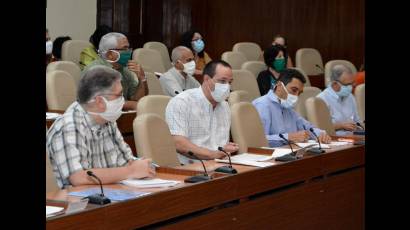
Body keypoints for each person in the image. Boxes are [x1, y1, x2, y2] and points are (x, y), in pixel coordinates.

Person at [46, 65, 155, 189]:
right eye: (119, 95)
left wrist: (142, 165)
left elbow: (127, 161)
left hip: (107, 194)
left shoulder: (107, 120)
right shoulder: (69, 126)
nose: (123, 100)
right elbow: (78, 177)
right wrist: (131, 171)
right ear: (99, 101)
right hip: (75, 203)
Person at [165, 60, 239, 164]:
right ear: (207, 79)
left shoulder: (225, 106)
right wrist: (214, 154)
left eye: (230, 82)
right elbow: (179, 144)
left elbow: (219, 146)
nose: (227, 86)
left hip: (221, 164)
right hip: (189, 169)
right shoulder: (182, 102)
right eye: (222, 81)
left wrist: (226, 149)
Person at [253, 69, 332, 147]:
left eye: (299, 93)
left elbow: (308, 128)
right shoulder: (262, 105)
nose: (296, 96)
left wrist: (321, 134)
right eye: (294, 90)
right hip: (271, 156)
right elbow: (258, 140)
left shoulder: (288, 107)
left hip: (291, 152)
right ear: (280, 86)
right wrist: (289, 137)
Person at [84, 32, 148, 110]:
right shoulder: (95, 71)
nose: (129, 52)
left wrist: (142, 78)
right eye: (124, 48)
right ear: (110, 54)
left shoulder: (124, 70)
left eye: (129, 48)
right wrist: (132, 105)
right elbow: (103, 102)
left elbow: (137, 99)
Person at [317, 64, 363, 136]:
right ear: (335, 83)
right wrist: (341, 125)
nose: (350, 87)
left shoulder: (350, 96)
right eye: (347, 84)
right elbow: (320, 127)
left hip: (354, 137)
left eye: (352, 83)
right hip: (334, 139)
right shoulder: (321, 99)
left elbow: (357, 120)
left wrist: (359, 126)